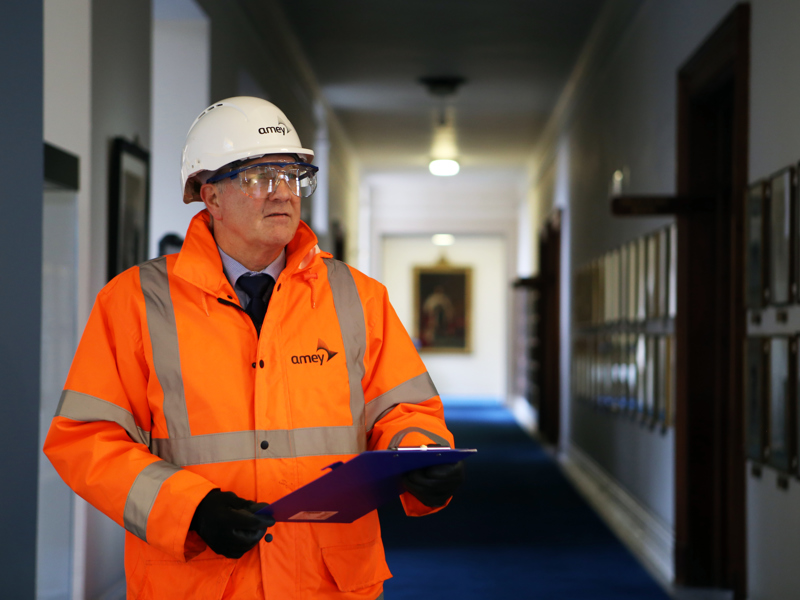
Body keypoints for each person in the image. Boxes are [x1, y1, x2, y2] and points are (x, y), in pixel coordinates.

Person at [44, 96, 464, 600]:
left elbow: (404, 409)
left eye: (292, 177)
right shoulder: (134, 302)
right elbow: (86, 439)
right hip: (200, 582)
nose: (282, 193)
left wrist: (418, 451)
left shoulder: (359, 298)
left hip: (327, 584)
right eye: (260, 177)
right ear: (210, 196)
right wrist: (191, 509)